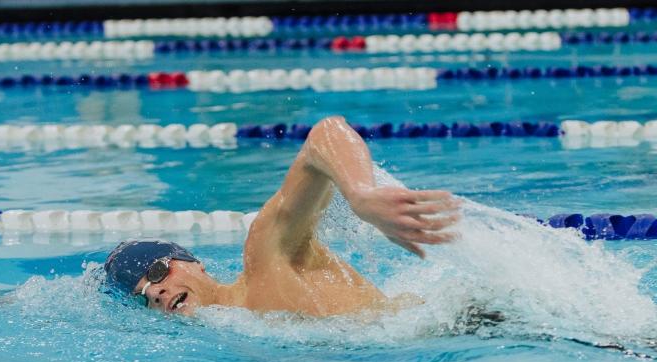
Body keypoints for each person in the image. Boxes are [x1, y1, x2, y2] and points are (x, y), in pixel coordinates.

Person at [104, 116, 461, 317]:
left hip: (463, 320)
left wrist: (361, 196)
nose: (157, 291)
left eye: (157, 272)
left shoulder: (265, 258)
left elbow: (324, 135)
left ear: (193, 263)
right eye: (144, 296)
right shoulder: (239, 335)